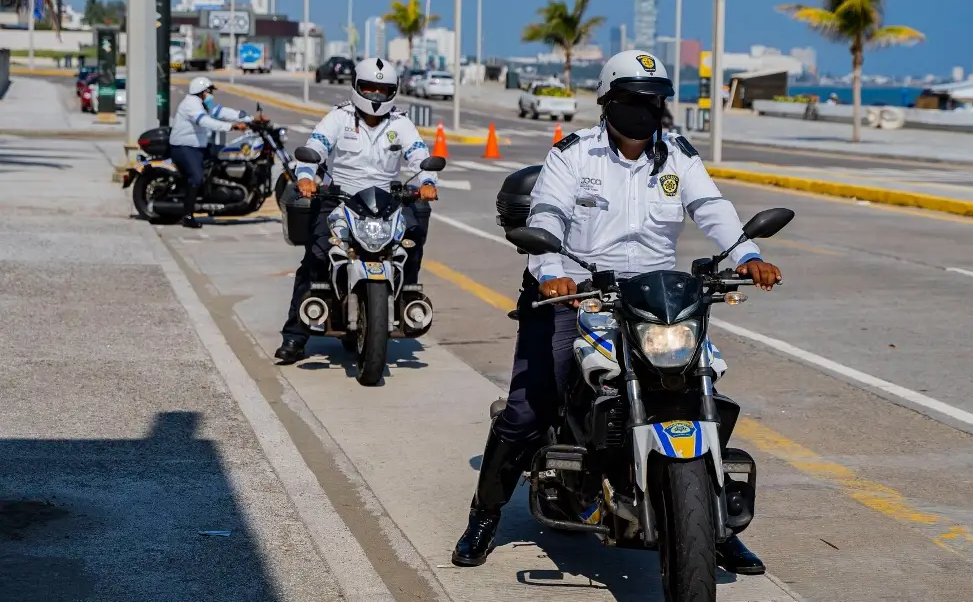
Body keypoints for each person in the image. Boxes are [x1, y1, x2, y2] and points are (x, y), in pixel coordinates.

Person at [451, 50, 782, 574]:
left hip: (654, 298)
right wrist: (552, 271)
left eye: (656, 100)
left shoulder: (676, 155)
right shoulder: (574, 155)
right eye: (634, 99)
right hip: (574, 291)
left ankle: (709, 522)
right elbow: (547, 216)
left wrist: (748, 255)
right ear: (608, 101)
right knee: (529, 408)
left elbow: (712, 208)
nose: (647, 109)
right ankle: (484, 515)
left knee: (700, 388)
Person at [274, 57, 438, 364]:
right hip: (339, 198)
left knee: (411, 242)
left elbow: (419, 156)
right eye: (369, 87)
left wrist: (427, 181)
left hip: (387, 202)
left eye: (383, 89)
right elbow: (315, 147)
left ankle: (407, 304)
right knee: (316, 256)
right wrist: (307, 177)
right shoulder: (339, 118)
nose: (375, 95)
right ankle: (295, 336)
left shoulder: (400, 123)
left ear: (393, 91)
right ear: (356, 87)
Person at [168, 76, 252, 228]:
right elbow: (205, 121)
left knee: (223, 159)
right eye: (209, 91)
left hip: (200, 146)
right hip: (185, 147)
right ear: (202, 92)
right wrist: (231, 127)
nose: (211, 94)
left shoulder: (203, 104)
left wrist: (248, 118)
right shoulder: (191, 104)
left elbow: (221, 112)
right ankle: (187, 215)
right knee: (196, 177)